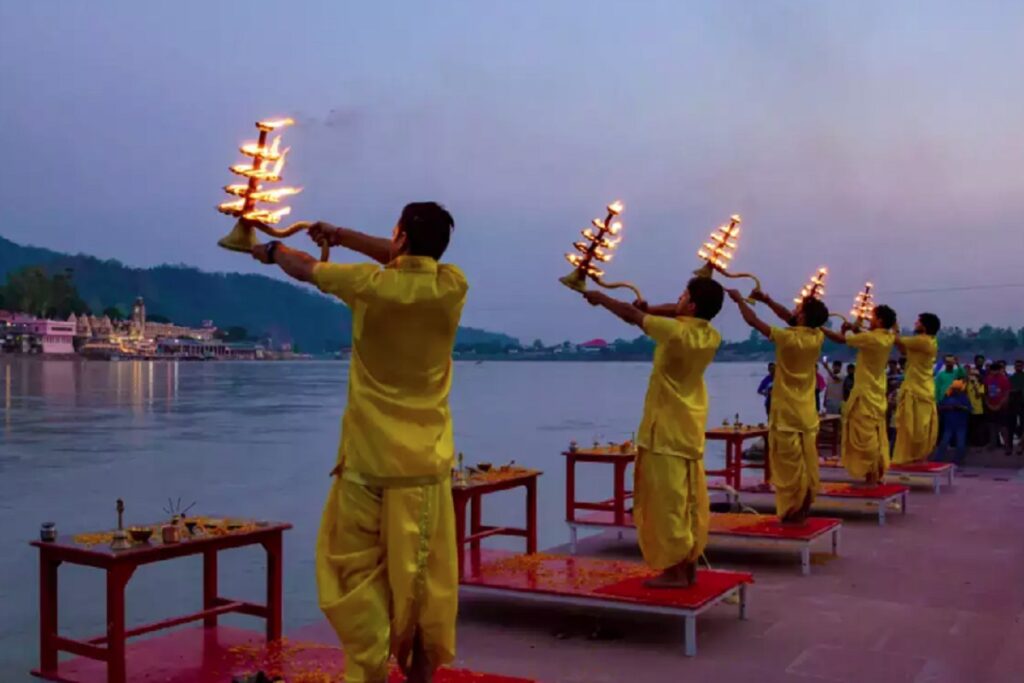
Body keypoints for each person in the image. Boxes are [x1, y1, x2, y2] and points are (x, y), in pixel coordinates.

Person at [250, 202, 465, 682]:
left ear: (402, 238)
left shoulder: (367, 286)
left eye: (395, 232)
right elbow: (401, 259)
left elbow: (304, 268)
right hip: (426, 466)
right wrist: (342, 235)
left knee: (353, 572)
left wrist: (266, 248)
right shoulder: (453, 287)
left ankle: (367, 668)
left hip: (368, 463)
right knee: (424, 583)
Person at [582, 278, 724, 587]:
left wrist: (600, 297)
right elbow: (674, 312)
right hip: (688, 428)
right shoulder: (710, 335)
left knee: (665, 503)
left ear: (692, 305)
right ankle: (686, 563)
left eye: (684, 295)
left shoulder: (675, 332)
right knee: (686, 500)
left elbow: (631, 316)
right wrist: (652, 308)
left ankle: (674, 569)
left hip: (665, 430)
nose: (678, 298)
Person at [727, 286, 829, 524]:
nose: (794, 310)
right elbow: (789, 317)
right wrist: (767, 299)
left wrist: (739, 300)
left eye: (799, 309)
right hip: (807, 413)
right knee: (803, 464)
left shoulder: (788, 338)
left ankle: (792, 513)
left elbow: (753, 321)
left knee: (787, 468)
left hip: (787, 413)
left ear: (803, 317)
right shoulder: (817, 336)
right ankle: (800, 508)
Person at [822, 305, 898, 485]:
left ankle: (871, 475)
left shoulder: (872, 338)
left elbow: (841, 340)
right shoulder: (888, 336)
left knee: (865, 437)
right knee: (874, 434)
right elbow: (863, 334)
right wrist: (854, 329)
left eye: (872, 317)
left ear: (879, 321)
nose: (869, 320)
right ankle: (874, 475)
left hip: (865, 394)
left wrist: (819, 326)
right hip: (876, 393)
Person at [892, 313, 940, 464]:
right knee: (910, 426)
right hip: (918, 387)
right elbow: (902, 350)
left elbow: (896, 340)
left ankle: (915, 457)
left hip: (918, 389)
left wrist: (893, 329)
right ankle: (912, 457)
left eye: (918, 322)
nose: (915, 323)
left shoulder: (923, 341)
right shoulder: (927, 342)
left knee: (917, 427)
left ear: (924, 326)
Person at [934, 380, 971, 466]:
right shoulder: (947, 397)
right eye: (954, 389)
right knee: (944, 443)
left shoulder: (964, 397)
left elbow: (969, 409)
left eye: (958, 389)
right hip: (949, 424)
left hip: (961, 425)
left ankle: (957, 462)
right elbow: (939, 407)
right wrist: (947, 408)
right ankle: (937, 461)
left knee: (960, 444)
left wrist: (960, 407)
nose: (956, 390)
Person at [984, 361, 1013, 455]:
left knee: (1003, 427)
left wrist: (999, 405)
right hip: (990, 406)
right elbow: (986, 393)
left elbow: (1007, 394)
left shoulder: (1004, 379)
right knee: (991, 425)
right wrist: (988, 404)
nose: (992, 372)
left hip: (1002, 407)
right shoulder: (987, 379)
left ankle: (1007, 446)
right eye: (991, 370)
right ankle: (993, 443)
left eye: (994, 370)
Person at [966, 365, 987, 447]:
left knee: (979, 428)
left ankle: (980, 444)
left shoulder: (981, 385)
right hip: (969, 408)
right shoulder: (968, 384)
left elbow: (979, 395)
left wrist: (975, 385)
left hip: (978, 409)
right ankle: (972, 443)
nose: (972, 376)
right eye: (971, 375)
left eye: (974, 375)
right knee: (971, 427)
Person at [1010, 359, 1024, 453]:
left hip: (1023, 404)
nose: (1018, 367)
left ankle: (1021, 445)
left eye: (1020, 365)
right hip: (1014, 404)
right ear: (1014, 367)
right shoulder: (1011, 378)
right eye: (1017, 365)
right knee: (1014, 424)